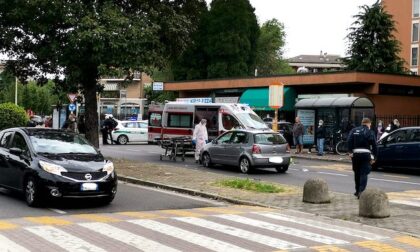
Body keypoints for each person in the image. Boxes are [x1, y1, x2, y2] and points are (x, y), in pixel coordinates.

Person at [347, 118, 377, 199]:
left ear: (362, 123)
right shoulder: (370, 132)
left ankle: (357, 191)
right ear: (368, 124)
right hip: (366, 154)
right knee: (363, 173)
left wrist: (350, 152)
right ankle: (361, 191)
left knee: (357, 173)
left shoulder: (354, 130)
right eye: (370, 124)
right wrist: (374, 157)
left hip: (355, 154)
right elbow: (374, 145)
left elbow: (349, 140)